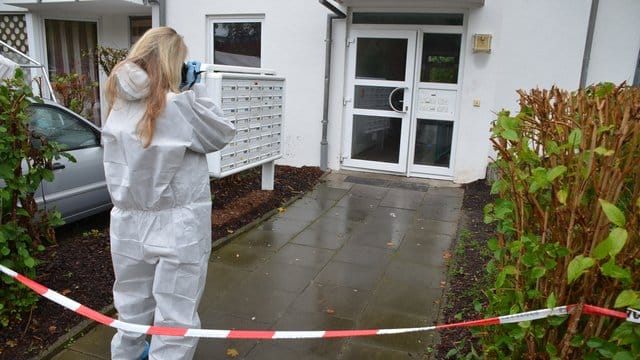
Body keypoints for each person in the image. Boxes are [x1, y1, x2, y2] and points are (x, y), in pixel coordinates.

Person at [102, 26, 235, 360]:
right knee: (175, 316)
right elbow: (220, 133)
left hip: (128, 223)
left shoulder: (118, 103)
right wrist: (197, 89)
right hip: (179, 225)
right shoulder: (178, 106)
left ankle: (126, 356)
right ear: (174, 62)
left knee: (131, 307)